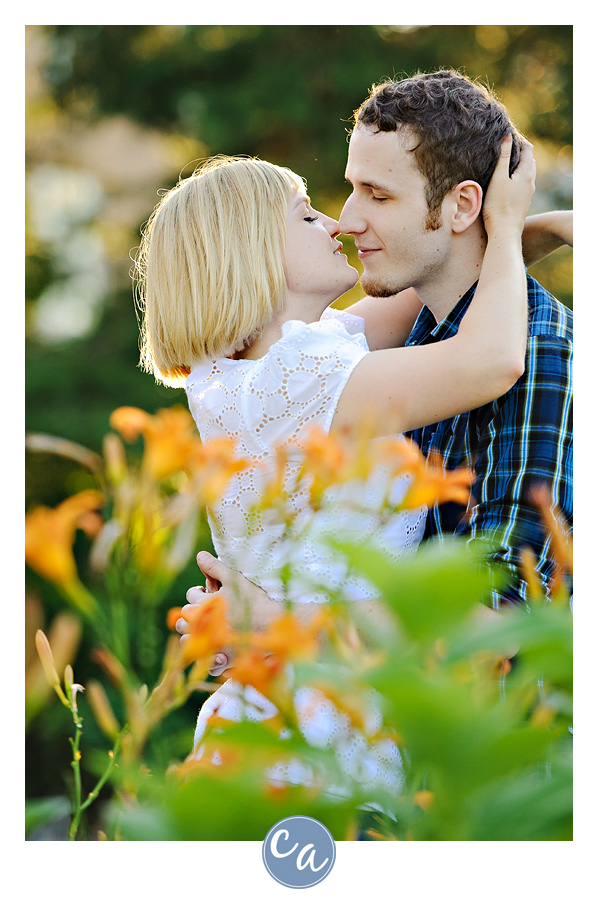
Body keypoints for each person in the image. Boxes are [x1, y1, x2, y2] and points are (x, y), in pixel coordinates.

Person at [137, 132, 535, 791]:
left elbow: (444, 276)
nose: (337, 221)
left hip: (316, 692)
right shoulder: (289, 380)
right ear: (252, 253)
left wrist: (533, 228)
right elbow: (491, 360)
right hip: (316, 721)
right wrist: (510, 224)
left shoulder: (263, 367)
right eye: (303, 214)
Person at [183, 70, 572, 644]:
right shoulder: (392, 343)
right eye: (351, 188)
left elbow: (505, 635)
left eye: (379, 194)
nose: (346, 220)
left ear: (464, 205)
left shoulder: (539, 351)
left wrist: (280, 627)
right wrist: (512, 230)